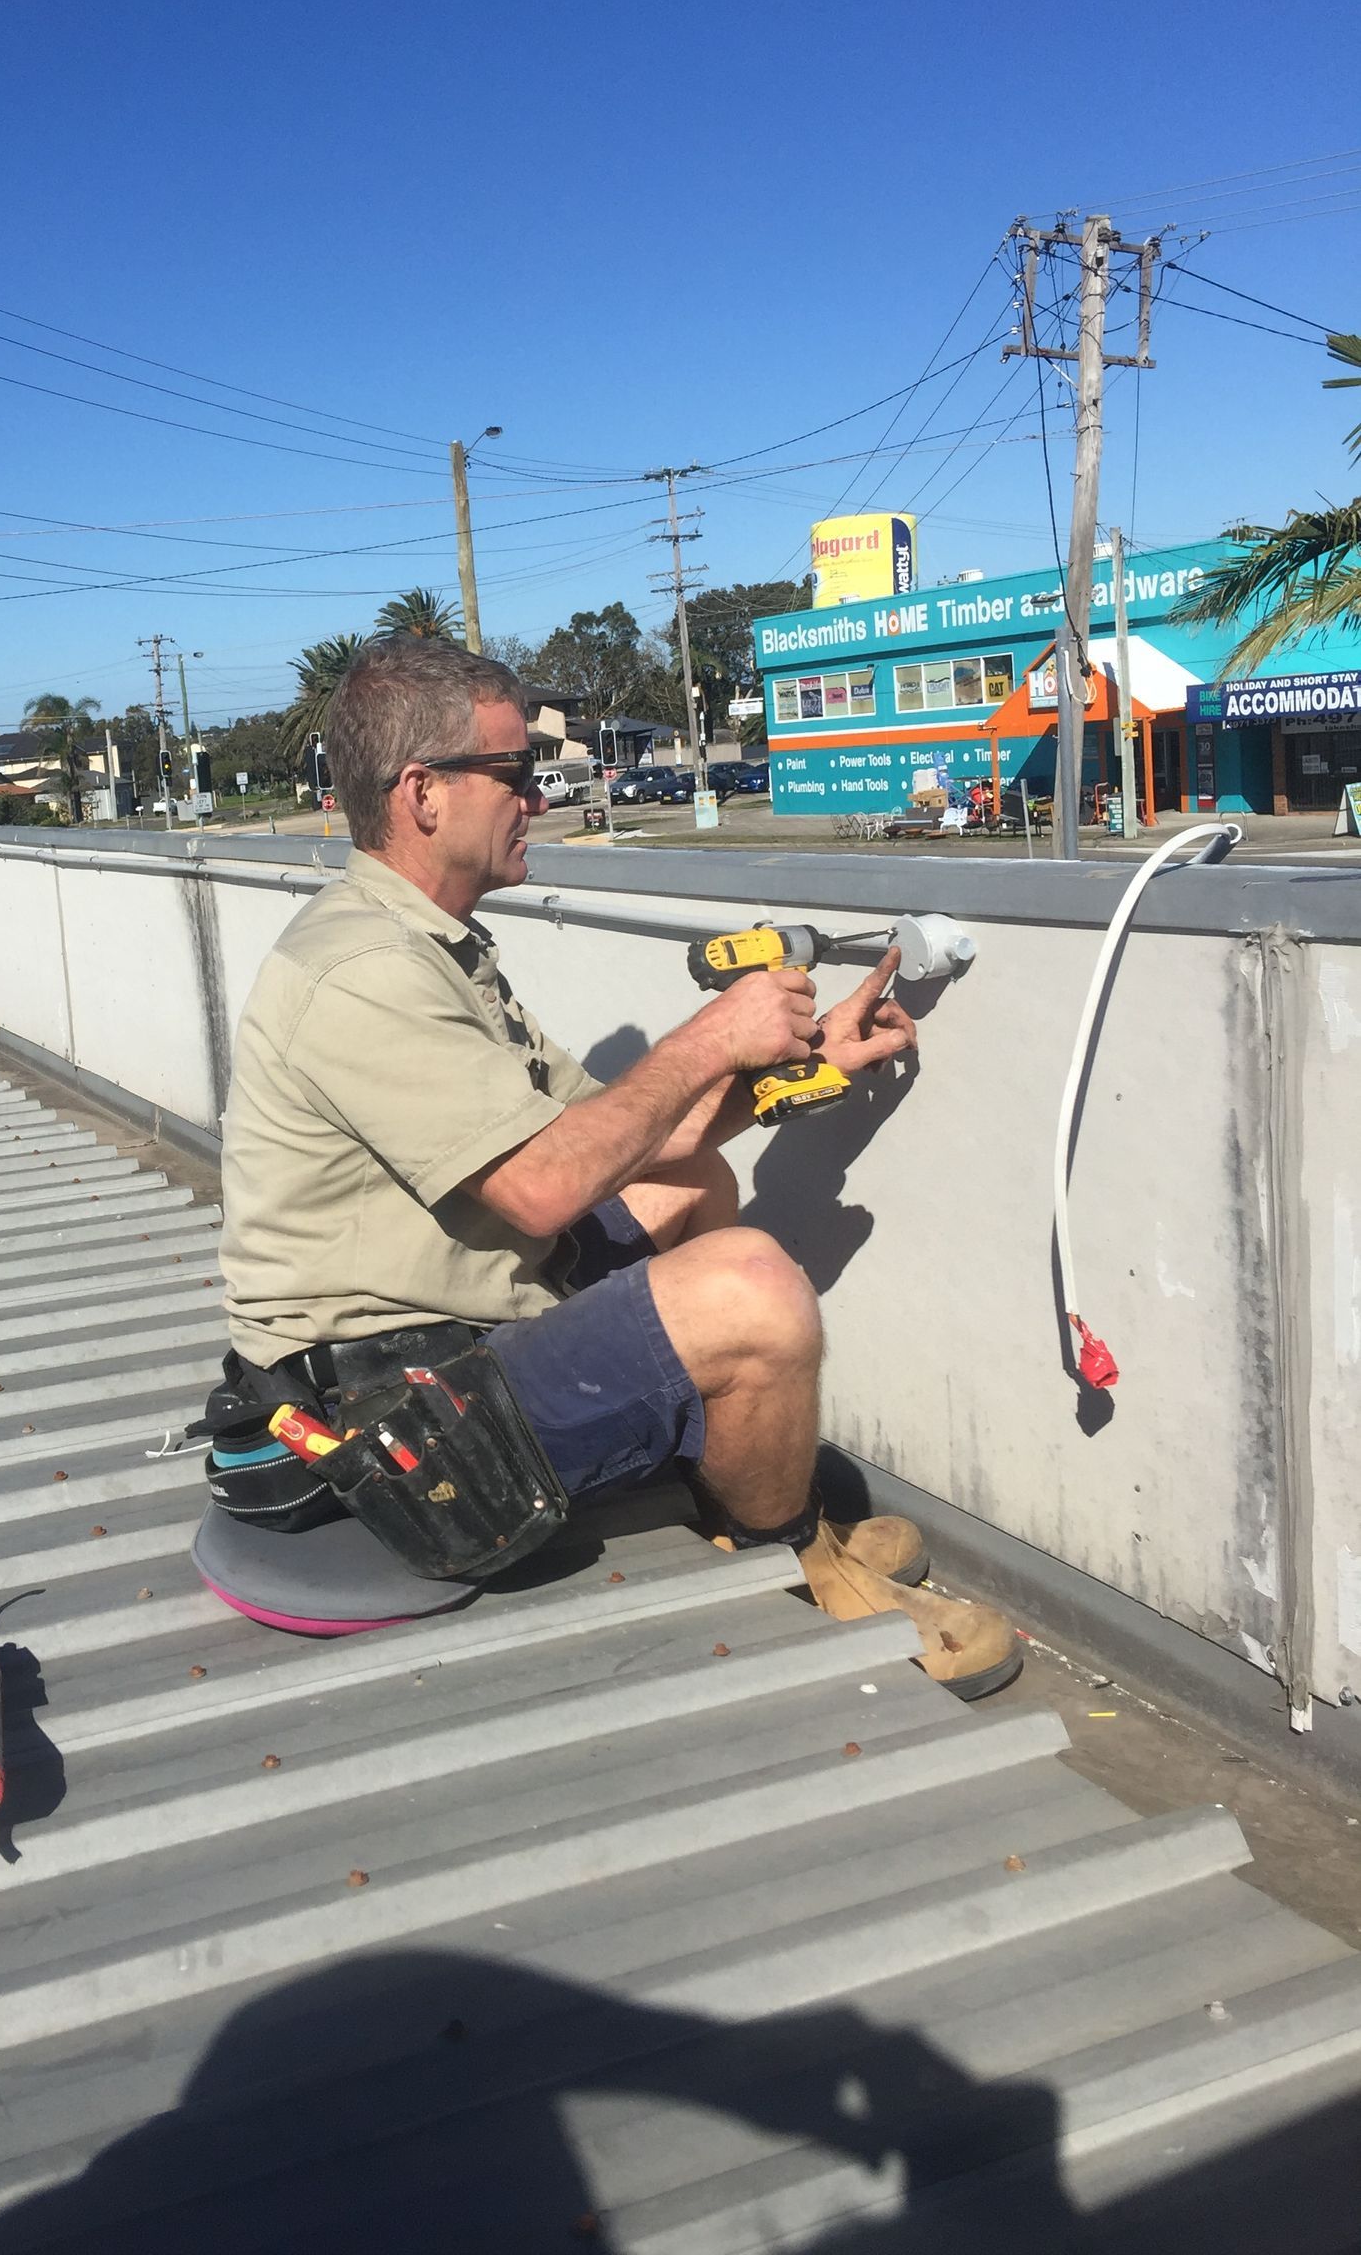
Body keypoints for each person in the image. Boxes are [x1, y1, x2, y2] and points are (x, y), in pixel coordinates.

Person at [217, 637, 1018, 1696]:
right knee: (755, 1290)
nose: (538, 801)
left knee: (696, 1192)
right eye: (514, 775)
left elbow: (624, 1134)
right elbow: (547, 1187)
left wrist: (803, 1056)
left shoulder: (427, 942)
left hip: (461, 1323)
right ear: (421, 794)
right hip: (388, 1415)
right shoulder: (363, 971)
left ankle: (733, 1504)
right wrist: (708, 1038)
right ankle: (800, 1559)